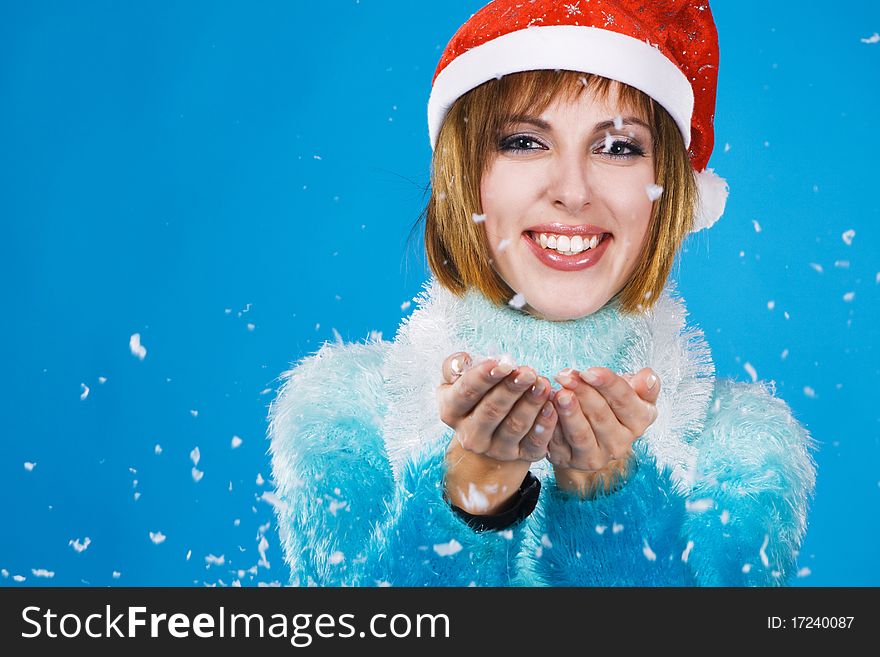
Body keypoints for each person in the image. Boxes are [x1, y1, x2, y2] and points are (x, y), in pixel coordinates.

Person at [267, 0, 816, 586]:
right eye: (526, 142)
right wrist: (470, 501)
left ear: (668, 195)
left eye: (619, 147)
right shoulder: (343, 415)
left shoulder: (744, 450)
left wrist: (610, 513)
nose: (573, 192)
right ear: (466, 178)